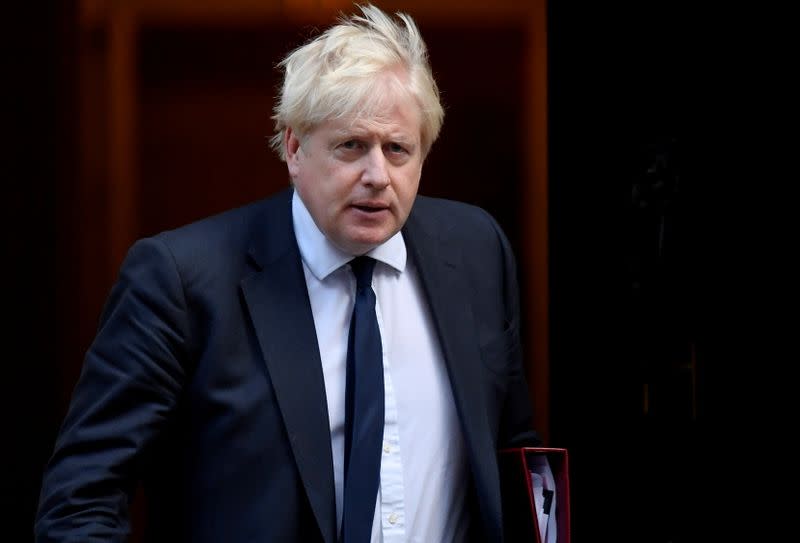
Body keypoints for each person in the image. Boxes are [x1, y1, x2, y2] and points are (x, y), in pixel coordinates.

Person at [35, 4, 536, 542]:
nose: (377, 175)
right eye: (351, 146)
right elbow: (80, 502)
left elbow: (517, 455)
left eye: (397, 150)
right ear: (294, 148)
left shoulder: (476, 251)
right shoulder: (182, 280)